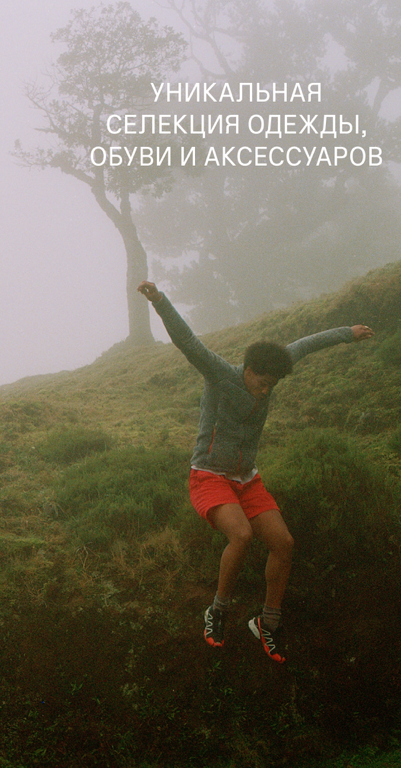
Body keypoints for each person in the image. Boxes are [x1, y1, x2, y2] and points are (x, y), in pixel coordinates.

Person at [138, 281, 374, 663]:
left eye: (272, 386)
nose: (265, 392)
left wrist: (348, 334)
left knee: (284, 544)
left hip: (247, 479)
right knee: (242, 534)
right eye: (262, 383)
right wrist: (160, 301)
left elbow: (306, 344)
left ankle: (267, 622)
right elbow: (188, 341)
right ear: (248, 371)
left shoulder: (274, 368)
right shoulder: (219, 375)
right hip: (209, 476)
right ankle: (217, 610)